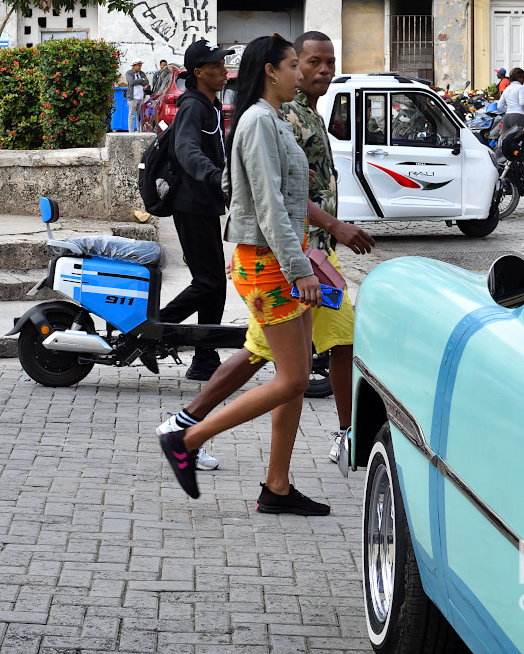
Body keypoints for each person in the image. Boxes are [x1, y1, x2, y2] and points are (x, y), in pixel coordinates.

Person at [157, 32, 375, 480]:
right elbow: (272, 205)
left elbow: (271, 194)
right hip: (274, 262)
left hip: (291, 259)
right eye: (297, 63)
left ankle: (276, 485)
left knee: (283, 372)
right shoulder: (261, 121)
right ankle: (186, 437)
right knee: (293, 378)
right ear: (272, 71)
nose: (308, 72)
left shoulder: (273, 119)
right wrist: (303, 266)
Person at [157, 38, 232, 383]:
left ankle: (204, 357)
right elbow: (186, 150)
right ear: (199, 73)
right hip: (191, 204)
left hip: (205, 204)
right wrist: (216, 177)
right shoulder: (193, 106)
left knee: (215, 285)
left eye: (223, 65)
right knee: (208, 282)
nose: (223, 71)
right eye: (216, 66)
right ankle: (155, 327)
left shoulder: (210, 105)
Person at [499, 67, 524, 131]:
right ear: (519, 78)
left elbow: (499, 106)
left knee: (507, 139)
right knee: (519, 139)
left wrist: (509, 109)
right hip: (518, 116)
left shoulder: (507, 89)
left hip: (507, 117)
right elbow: (522, 103)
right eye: (523, 77)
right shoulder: (521, 87)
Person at [125, 59, 150, 132]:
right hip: (132, 97)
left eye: (140, 65)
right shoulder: (129, 73)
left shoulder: (142, 73)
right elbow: (132, 82)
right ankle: (131, 131)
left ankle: (140, 131)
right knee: (131, 116)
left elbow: (146, 82)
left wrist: (140, 81)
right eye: (138, 65)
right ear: (134, 66)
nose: (140, 67)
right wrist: (141, 80)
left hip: (141, 97)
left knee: (140, 116)